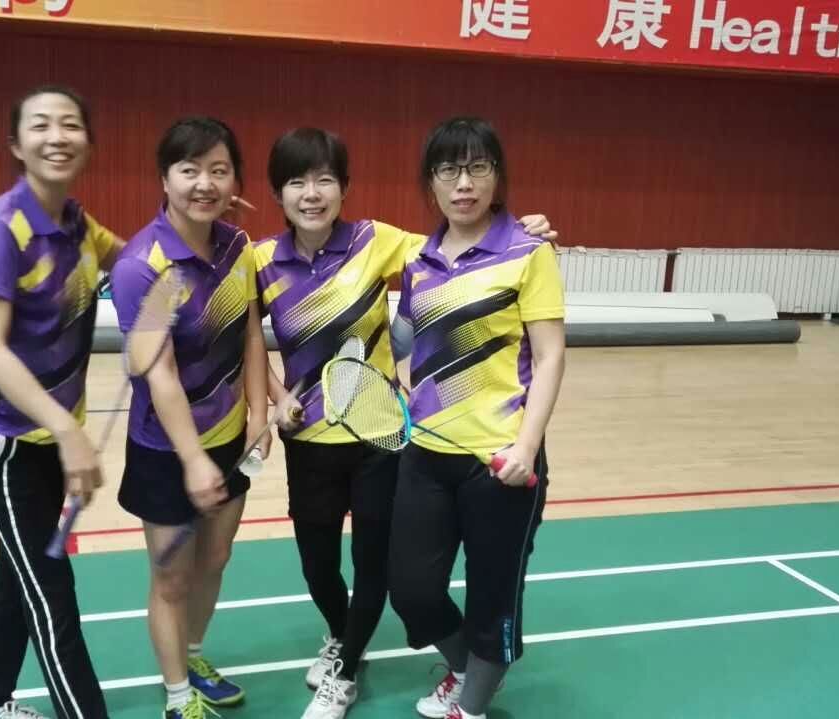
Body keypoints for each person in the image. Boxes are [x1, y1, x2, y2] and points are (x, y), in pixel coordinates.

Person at [253, 127, 557, 719]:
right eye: (296, 182)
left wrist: (526, 230)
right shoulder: (262, 259)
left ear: (344, 187)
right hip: (316, 437)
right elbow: (245, 341)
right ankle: (349, 637)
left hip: (385, 437)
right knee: (339, 570)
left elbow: (467, 249)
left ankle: (359, 672)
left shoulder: (380, 241)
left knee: (390, 568)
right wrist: (274, 396)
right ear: (278, 193)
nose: (312, 194)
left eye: (325, 180)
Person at [387, 117, 566, 719]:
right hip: (426, 454)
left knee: (494, 596)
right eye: (448, 170)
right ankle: (466, 672)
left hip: (499, 459)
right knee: (412, 590)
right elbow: (407, 338)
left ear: (496, 177)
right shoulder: (419, 260)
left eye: (477, 168)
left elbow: (549, 356)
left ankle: (474, 705)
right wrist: (405, 381)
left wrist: (526, 448)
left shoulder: (529, 253)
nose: (463, 183)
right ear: (431, 182)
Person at [0, 85, 122, 719]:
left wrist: (197, 219)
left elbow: (139, 262)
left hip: (50, 440)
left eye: (71, 124)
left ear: (88, 143)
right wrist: (69, 430)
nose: (57, 136)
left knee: (18, 574)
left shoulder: (76, 223)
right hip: (3, 442)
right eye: (41, 125)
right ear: (16, 145)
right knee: (50, 597)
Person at [110, 116, 271, 719]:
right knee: (172, 578)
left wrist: (258, 414)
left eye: (218, 170)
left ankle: (194, 656)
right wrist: (194, 459)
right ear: (165, 178)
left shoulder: (236, 247)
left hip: (229, 438)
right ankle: (178, 696)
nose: (204, 183)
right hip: (167, 450)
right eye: (190, 170)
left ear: (234, 181)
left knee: (215, 560)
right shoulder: (143, 267)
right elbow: (160, 375)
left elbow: (250, 333)